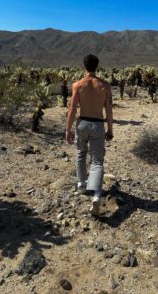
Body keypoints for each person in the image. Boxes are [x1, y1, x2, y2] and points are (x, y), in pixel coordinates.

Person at [66, 54, 113, 215]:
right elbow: (109, 110)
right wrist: (110, 129)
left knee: (80, 153)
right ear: (97, 66)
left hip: (82, 123)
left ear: (84, 66)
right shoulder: (105, 86)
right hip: (98, 124)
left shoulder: (77, 85)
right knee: (97, 160)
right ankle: (96, 194)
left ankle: (82, 184)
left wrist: (68, 129)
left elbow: (72, 109)